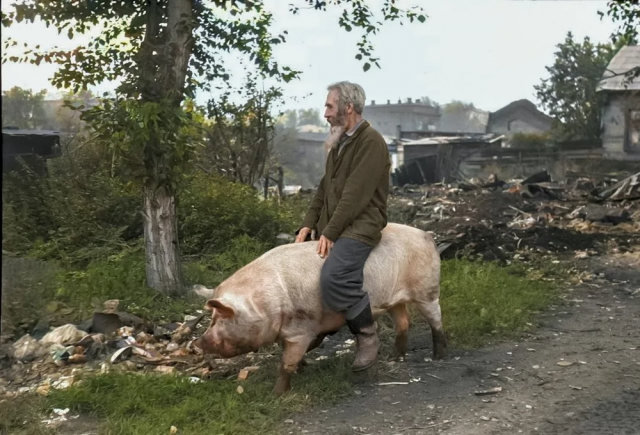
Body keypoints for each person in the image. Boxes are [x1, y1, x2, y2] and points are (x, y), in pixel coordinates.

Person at [295, 81, 391, 372]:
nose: (325, 113)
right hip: (336, 222)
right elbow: (324, 189)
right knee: (302, 273)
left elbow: (354, 196)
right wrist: (308, 224)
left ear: (348, 107)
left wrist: (330, 232)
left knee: (335, 277)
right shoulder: (340, 141)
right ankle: (321, 327)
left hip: (361, 223)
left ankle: (367, 335)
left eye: (329, 106)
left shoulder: (371, 142)